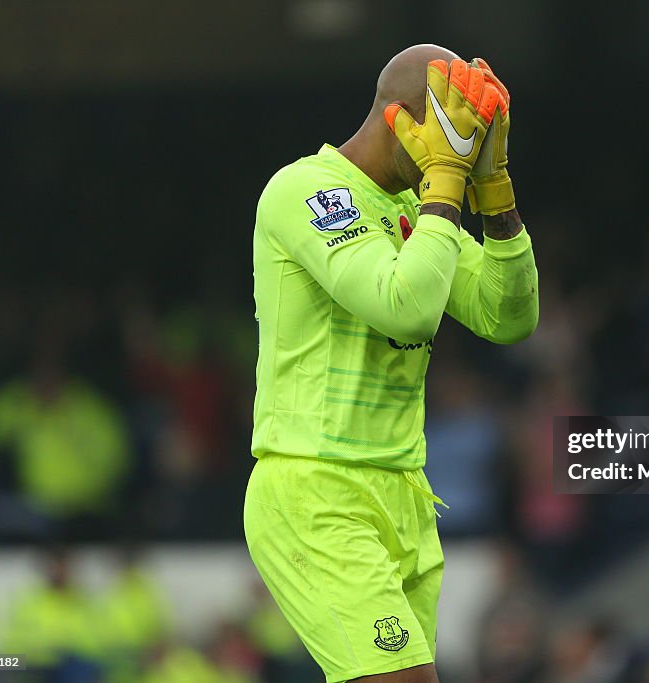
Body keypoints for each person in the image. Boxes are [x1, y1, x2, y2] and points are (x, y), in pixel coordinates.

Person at [243, 43, 538, 683]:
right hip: (318, 488)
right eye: (450, 138)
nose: (455, 157)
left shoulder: (416, 211)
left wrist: (493, 191)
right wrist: (446, 189)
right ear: (398, 119)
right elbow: (401, 306)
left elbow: (509, 316)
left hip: (402, 493)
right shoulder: (307, 191)